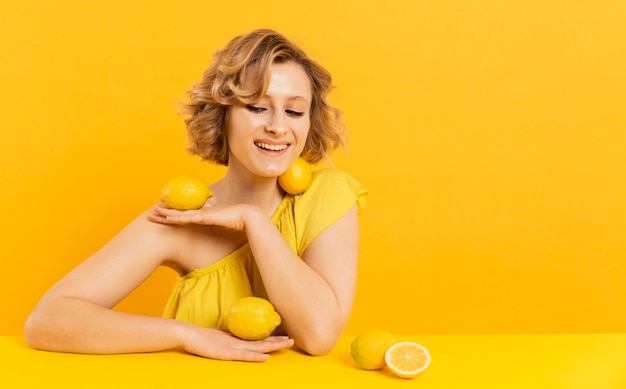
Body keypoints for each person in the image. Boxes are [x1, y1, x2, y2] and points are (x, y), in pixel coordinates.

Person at [25, 28, 366, 362]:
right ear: (223, 116)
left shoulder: (328, 194)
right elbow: (47, 321)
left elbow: (319, 335)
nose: (278, 126)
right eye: (257, 107)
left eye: (294, 111)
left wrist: (254, 221)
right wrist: (184, 334)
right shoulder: (181, 218)